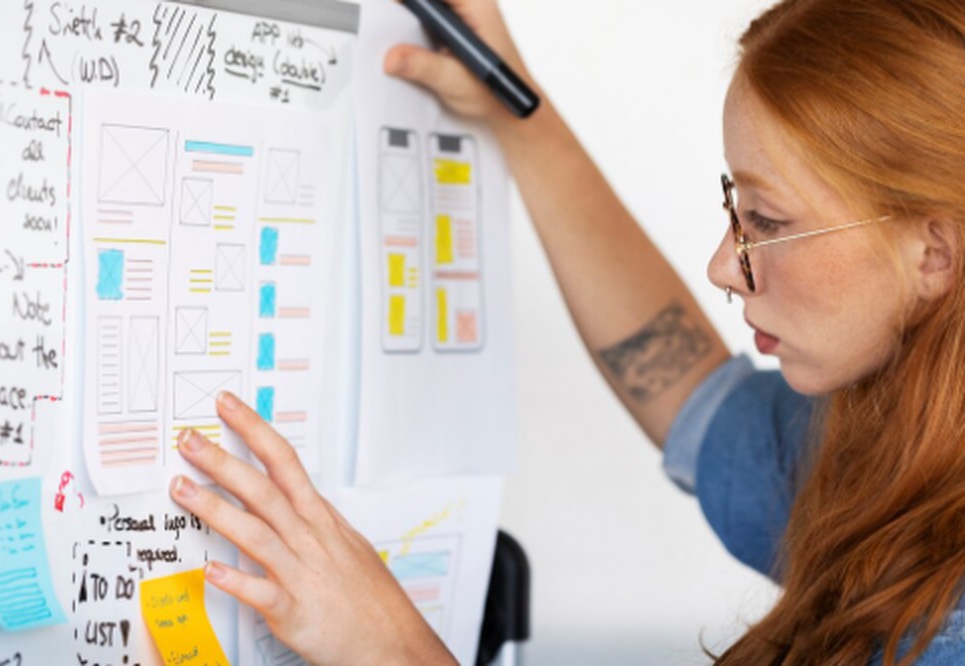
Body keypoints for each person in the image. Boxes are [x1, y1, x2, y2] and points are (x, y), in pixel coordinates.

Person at [168, 0, 965, 663]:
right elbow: (689, 390)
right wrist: (521, 119)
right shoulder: (880, 443)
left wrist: (391, 646)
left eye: (766, 219)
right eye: (736, 212)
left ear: (934, 252)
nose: (724, 264)